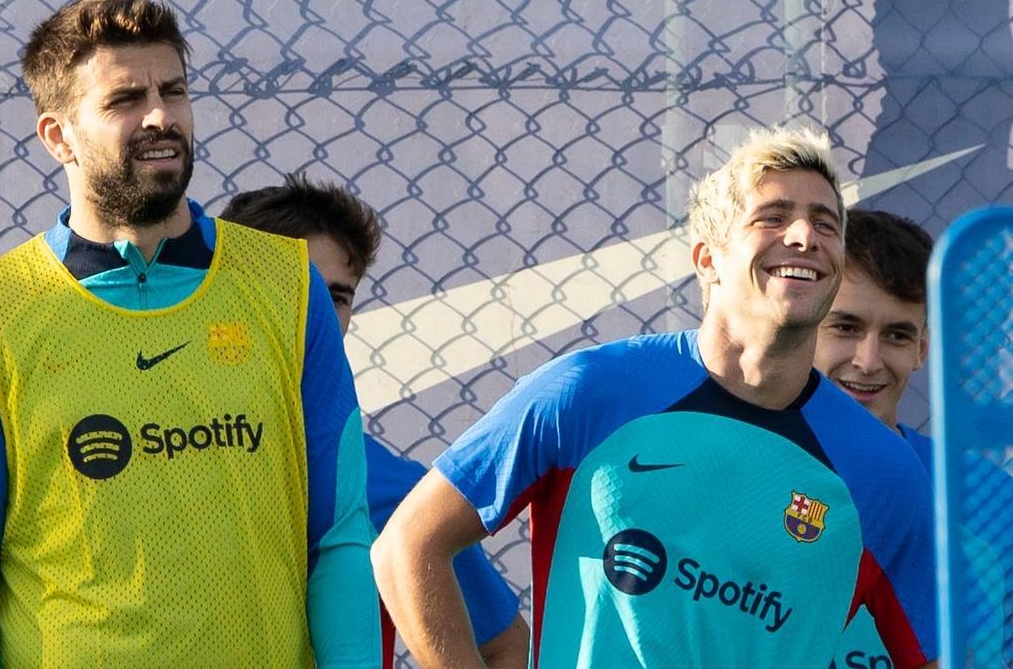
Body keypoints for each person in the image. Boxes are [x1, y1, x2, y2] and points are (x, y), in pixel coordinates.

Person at [0, 0, 378, 668]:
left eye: (174, 89)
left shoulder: (286, 285)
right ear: (58, 136)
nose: (161, 115)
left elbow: (337, 535)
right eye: (124, 99)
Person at [372, 126, 938, 668]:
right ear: (708, 260)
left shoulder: (883, 471)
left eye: (825, 223)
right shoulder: (589, 391)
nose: (804, 237)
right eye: (772, 218)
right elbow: (407, 545)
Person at [219, 173, 531, 668]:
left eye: (337, 297)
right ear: (228, 294)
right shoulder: (159, 442)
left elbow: (503, 643)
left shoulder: (389, 486)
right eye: (293, 286)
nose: (316, 313)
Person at [816, 209, 1011, 668]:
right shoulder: (735, 473)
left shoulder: (988, 500)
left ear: (924, 346)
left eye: (897, 335)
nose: (868, 360)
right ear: (805, 325)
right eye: (845, 327)